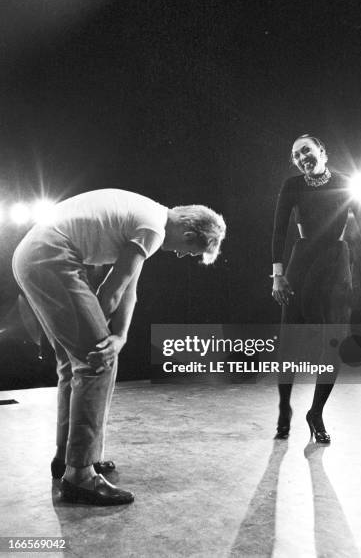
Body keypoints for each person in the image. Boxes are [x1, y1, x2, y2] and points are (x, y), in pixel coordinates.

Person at [12, 189, 226, 505]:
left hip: (35, 255)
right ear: (190, 233)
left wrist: (120, 336)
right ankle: (80, 475)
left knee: (74, 364)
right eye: (188, 250)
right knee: (97, 361)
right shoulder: (153, 227)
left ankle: (67, 457)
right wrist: (103, 342)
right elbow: (109, 293)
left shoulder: (147, 215)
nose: (180, 255)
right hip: (50, 255)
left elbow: (128, 289)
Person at [271, 135, 361, 443]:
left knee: (335, 341)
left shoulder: (346, 183)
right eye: (295, 155)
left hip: (336, 262)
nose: (301, 157)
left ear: (322, 151)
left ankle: (316, 412)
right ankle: (285, 409)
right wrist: (277, 274)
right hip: (302, 259)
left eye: (306, 150)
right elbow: (279, 228)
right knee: (290, 341)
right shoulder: (292, 185)